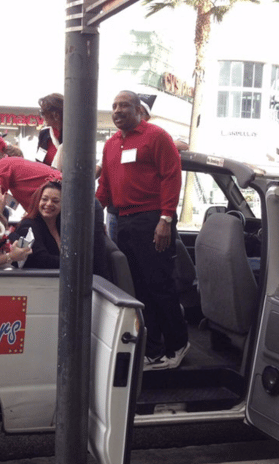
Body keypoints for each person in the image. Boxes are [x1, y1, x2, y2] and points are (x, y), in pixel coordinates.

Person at [96, 90, 187, 371]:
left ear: (139, 110)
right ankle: (154, 349)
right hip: (122, 221)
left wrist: (166, 220)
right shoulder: (111, 144)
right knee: (138, 288)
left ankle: (178, 345)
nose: (117, 110)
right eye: (114, 106)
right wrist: (88, 213)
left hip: (152, 221)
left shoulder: (156, 136)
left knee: (159, 285)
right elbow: (106, 188)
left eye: (124, 105)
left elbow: (172, 176)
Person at [13, 179, 107, 277]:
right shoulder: (28, 225)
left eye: (55, 201)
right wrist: (75, 263)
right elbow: (40, 259)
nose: (49, 204)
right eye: (44, 199)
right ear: (38, 201)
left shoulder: (65, 226)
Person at [35, 93, 63, 170]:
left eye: (43, 113)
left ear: (56, 115)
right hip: (47, 179)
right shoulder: (44, 133)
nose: (42, 116)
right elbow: (39, 161)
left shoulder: (72, 134)